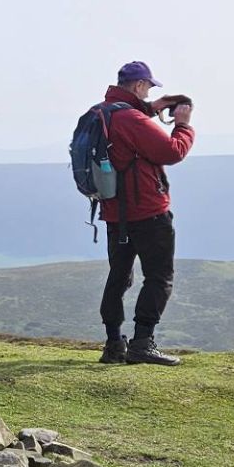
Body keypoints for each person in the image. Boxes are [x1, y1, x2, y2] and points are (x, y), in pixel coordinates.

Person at [97, 61, 195, 366]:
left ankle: (114, 344)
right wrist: (183, 125)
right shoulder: (131, 119)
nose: (150, 91)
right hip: (148, 213)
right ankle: (142, 343)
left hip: (114, 213)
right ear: (139, 85)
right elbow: (171, 152)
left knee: (119, 276)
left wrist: (154, 108)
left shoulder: (100, 112)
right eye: (149, 87)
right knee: (159, 276)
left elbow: (126, 128)